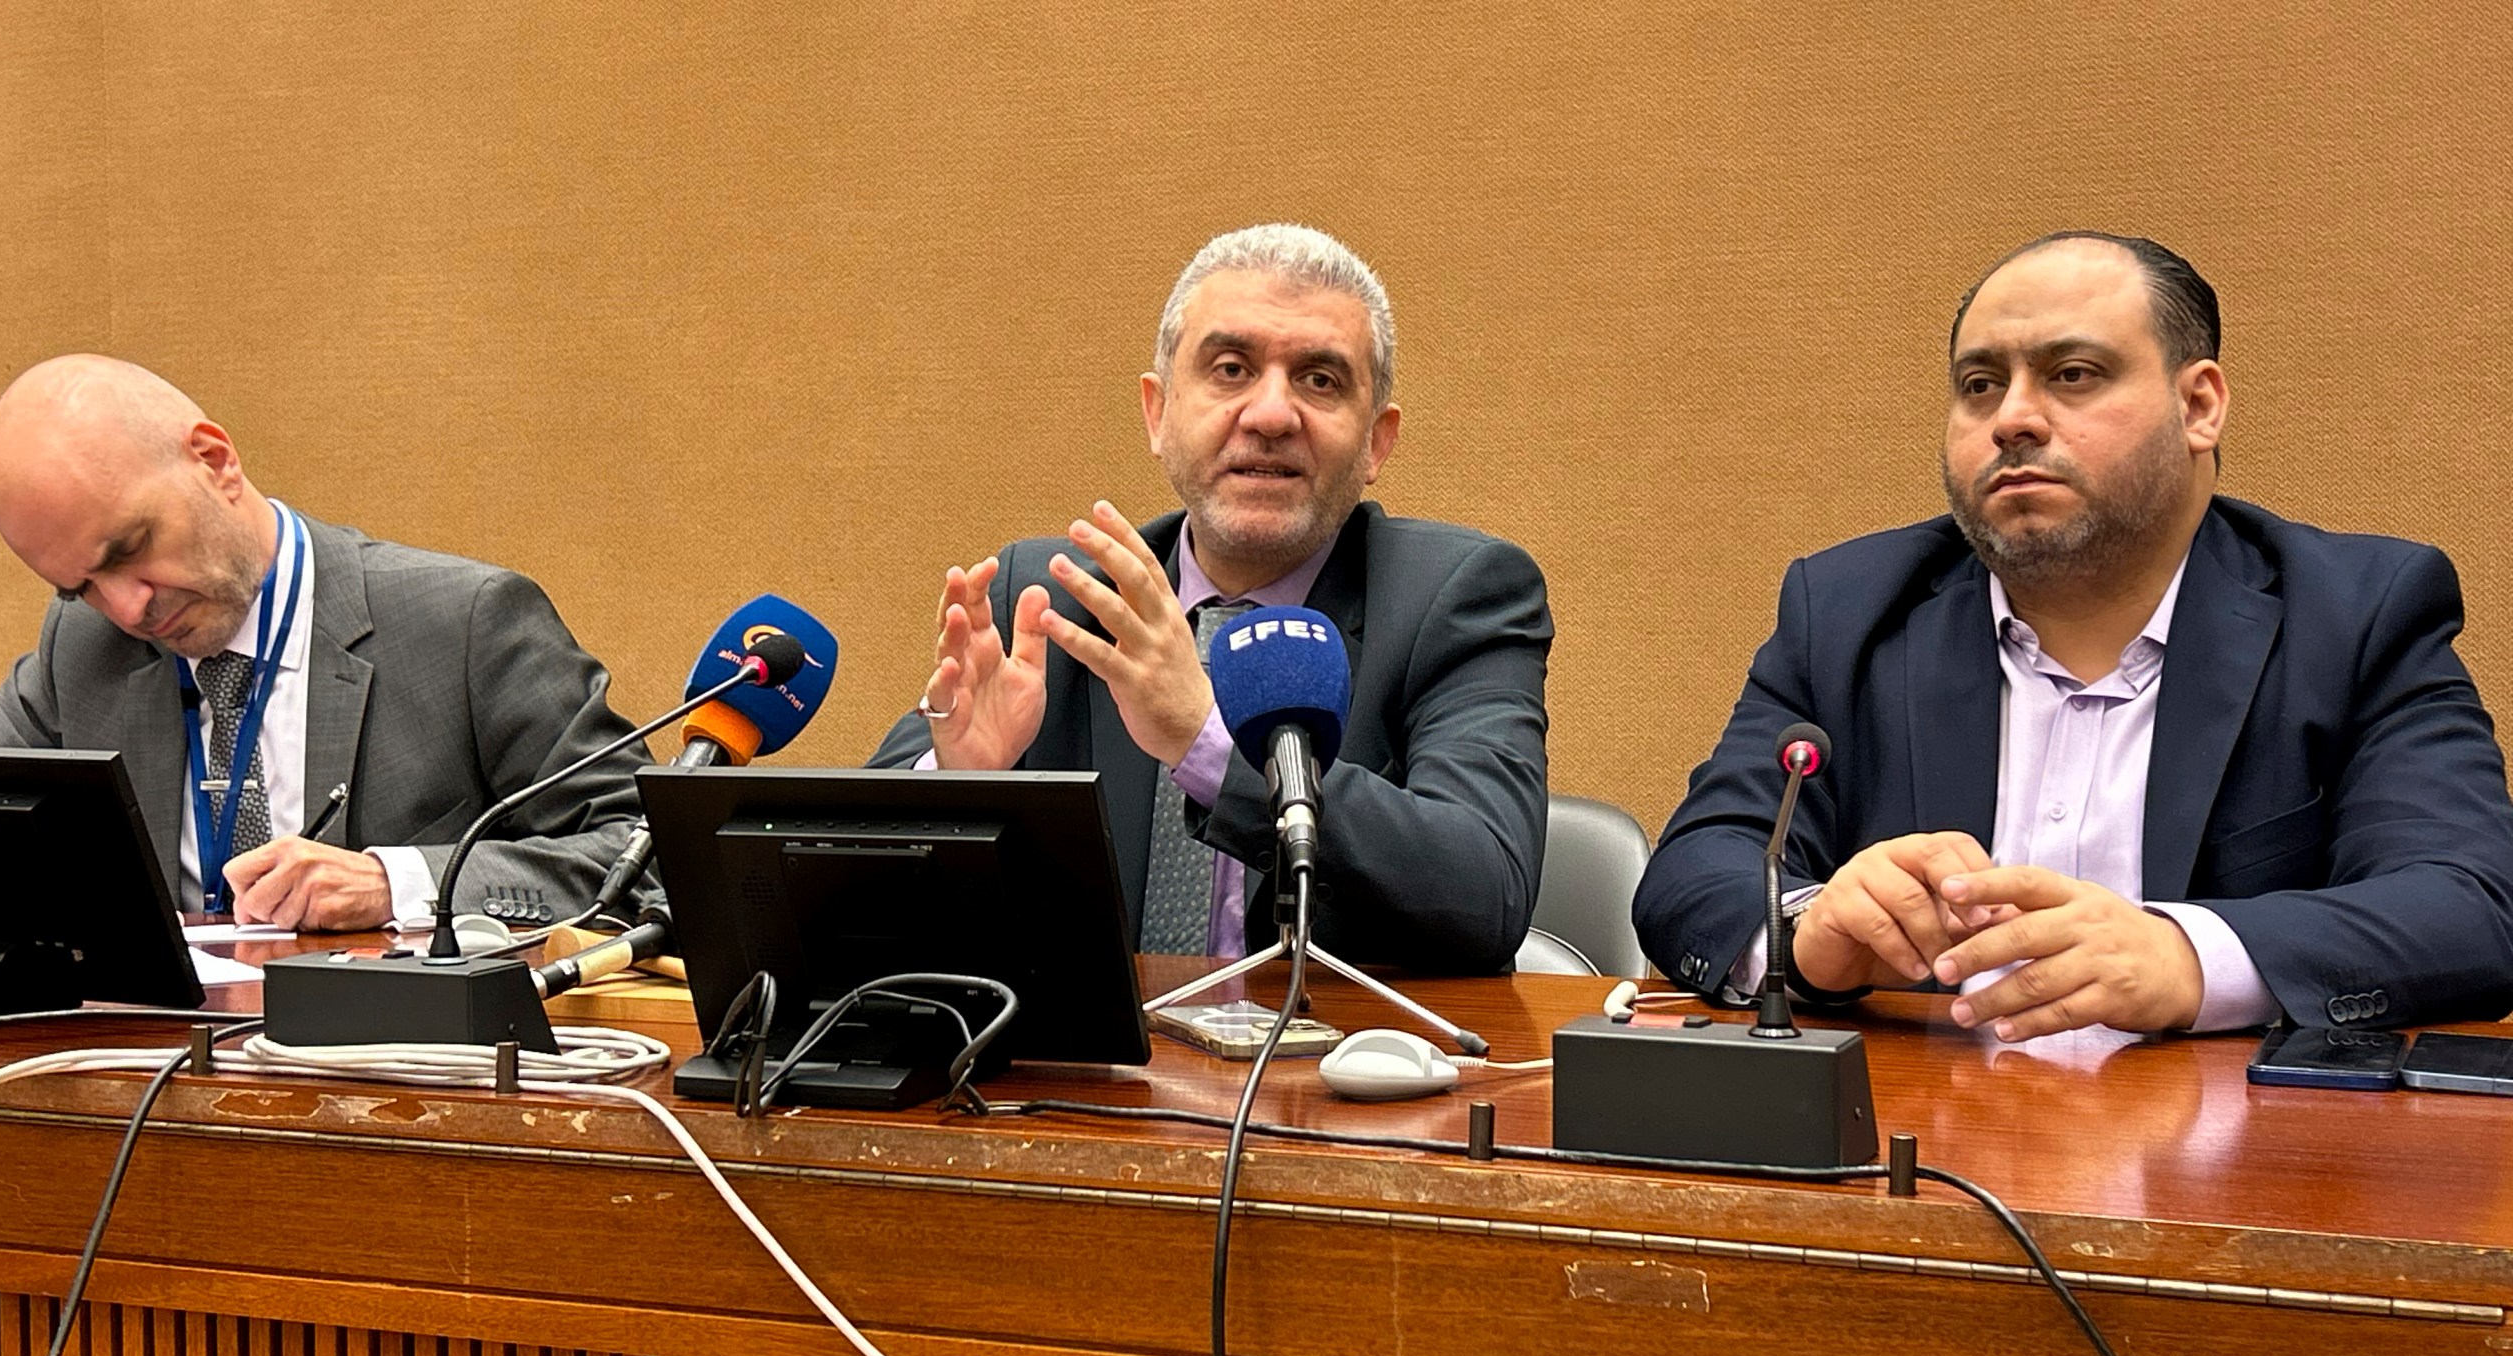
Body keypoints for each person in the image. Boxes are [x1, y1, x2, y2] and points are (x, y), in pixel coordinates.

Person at [1637, 232, 2513, 1038]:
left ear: (2199, 405)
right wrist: (1810, 930)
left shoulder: (2357, 613)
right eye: (1980, 385)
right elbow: (1694, 876)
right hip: (1920, 1140)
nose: (2012, 418)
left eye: (2074, 374)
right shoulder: (1849, 609)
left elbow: (2473, 905)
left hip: (2228, 1161)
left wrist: (2187, 956)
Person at [870, 224, 1552, 973]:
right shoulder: (1050, 604)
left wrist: (1206, 739)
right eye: (1231, 369)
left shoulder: (1454, 600)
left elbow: (1483, 892)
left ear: (1376, 444)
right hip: (1083, 1081)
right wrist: (957, 791)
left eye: (1320, 380)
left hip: (1320, 1074)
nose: (1270, 415)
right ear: (1157, 413)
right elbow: (843, 885)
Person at [0, 354, 651, 931]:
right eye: (81, 587)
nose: (127, 606)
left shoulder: (468, 624)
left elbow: (646, 861)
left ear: (214, 461)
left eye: (131, 548)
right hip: (165, 1070)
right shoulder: (85, 646)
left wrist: (398, 883)